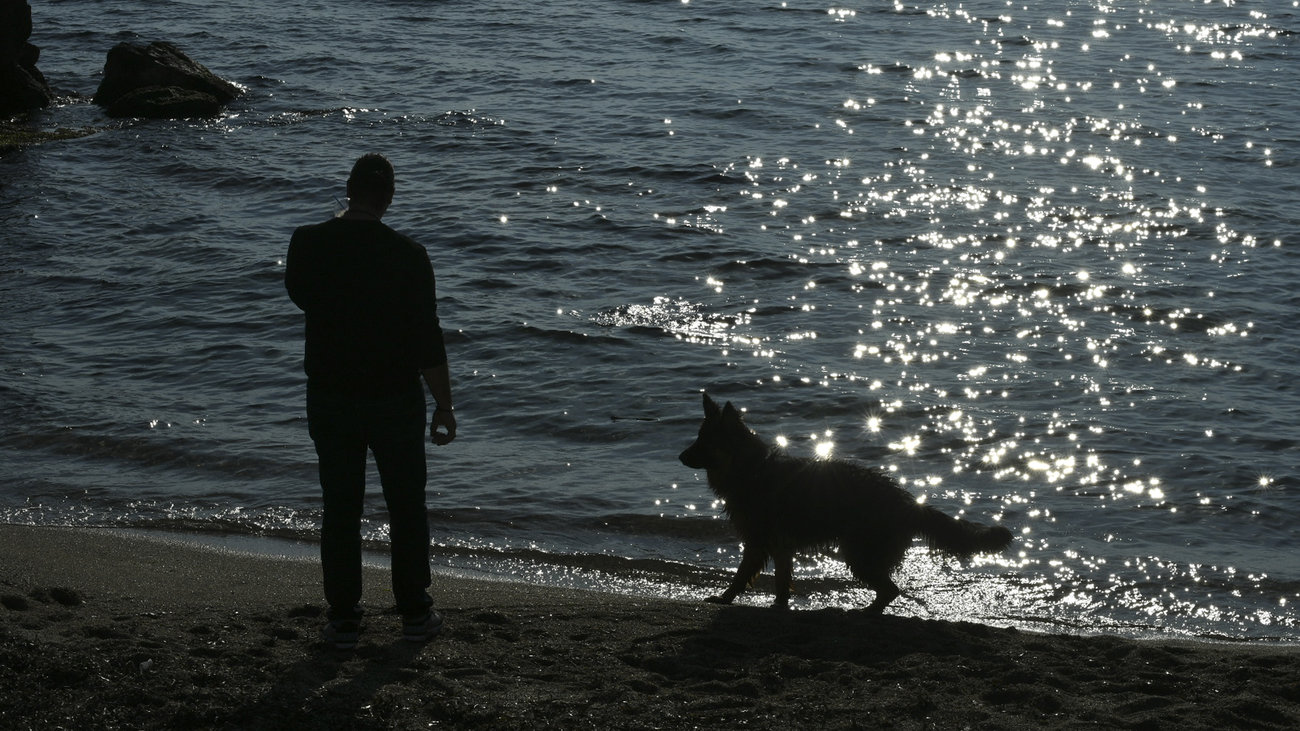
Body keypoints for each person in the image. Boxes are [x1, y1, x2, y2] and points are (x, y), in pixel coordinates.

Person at [285, 153, 456, 650]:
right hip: (394, 398)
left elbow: (302, 297)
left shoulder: (307, 243)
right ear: (390, 196)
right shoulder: (408, 254)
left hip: (331, 396)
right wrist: (444, 406)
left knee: (340, 506)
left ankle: (343, 619)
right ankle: (414, 613)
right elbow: (427, 337)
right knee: (407, 508)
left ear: (348, 189)